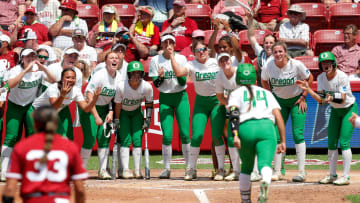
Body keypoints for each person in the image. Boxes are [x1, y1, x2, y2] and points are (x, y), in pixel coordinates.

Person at [2, 105, 87, 203]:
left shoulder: (22, 147)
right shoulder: (69, 147)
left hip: (33, 199)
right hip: (60, 199)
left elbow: (9, 189)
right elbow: (80, 189)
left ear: (35, 123)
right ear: (56, 123)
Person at [296, 51, 357, 185]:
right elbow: (321, 100)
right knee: (331, 143)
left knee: (344, 142)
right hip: (335, 110)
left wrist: (331, 97)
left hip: (348, 109)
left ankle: (346, 176)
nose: (326, 65)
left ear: (334, 63)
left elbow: (344, 98)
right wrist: (308, 89)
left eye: (328, 62)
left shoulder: (342, 76)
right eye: (323, 63)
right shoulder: (322, 78)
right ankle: (332, 175)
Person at [228, 63, 286, 203]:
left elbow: (234, 114)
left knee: (246, 168)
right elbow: (278, 116)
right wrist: (283, 140)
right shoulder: (266, 93)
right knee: (265, 164)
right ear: (255, 78)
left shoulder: (235, 93)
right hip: (266, 128)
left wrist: (235, 135)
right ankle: (265, 180)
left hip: (245, 128)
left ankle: (246, 199)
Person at [171, 41, 227, 181]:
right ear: (194, 53)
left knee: (216, 135)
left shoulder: (216, 62)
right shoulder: (191, 64)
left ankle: (221, 169)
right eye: (198, 50)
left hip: (217, 101)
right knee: (196, 136)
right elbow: (178, 73)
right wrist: (171, 55)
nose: (201, 52)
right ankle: (191, 169)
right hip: (201, 102)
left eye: (203, 49)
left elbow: (229, 71)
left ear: (207, 50)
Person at [261, 41, 313, 182]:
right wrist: (270, 96)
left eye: (280, 51)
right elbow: (264, 80)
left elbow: (309, 78)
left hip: (297, 101)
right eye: (275, 51)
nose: (278, 54)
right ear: (272, 53)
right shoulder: (268, 66)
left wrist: (303, 96)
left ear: (285, 52)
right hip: (279, 102)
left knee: (298, 134)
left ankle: (301, 172)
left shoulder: (296, 65)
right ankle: (278, 170)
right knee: (276, 135)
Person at [1, 48, 56, 181]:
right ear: (22, 58)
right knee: (11, 136)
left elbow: (54, 80)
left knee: (33, 135)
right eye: (27, 57)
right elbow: (11, 85)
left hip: (31, 105)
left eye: (33, 56)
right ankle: (3, 171)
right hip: (15, 105)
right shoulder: (15, 70)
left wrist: (43, 68)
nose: (30, 59)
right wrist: (26, 70)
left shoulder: (39, 70)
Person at [148, 34, 190, 179]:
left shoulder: (181, 58)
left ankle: (189, 167)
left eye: (170, 42)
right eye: (165, 42)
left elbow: (183, 82)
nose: (168, 44)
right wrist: (160, 77)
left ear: (174, 43)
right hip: (165, 97)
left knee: (185, 133)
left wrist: (172, 60)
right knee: (166, 135)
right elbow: (156, 84)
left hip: (180, 97)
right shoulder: (155, 60)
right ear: (161, 44)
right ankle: (166, 168)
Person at [79, 51, 120, 180]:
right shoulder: (100, 75)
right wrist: (96, 116)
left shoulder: (119, 76)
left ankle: (102, 170)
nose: (114, 60)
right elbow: (89, 95)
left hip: (105, 109)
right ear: (106, 61)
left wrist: (111, 112)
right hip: (89, 108)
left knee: (104, 139)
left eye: (116, 58)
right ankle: (81, 171)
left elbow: (116, 98)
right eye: (111, 58)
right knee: (90, 138)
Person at [32, 68, 100, 137]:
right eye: (68, 77)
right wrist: (62, 95)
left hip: (53, 112)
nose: (71, 80)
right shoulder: (53, 88)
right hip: (37, 111)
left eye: (73, 78)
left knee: (66, 136)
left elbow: (86, 109)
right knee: (37, 137)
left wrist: (94, 99)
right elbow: (54, 108)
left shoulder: (76, 91)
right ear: (61, 79)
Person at [114, 61, 153, 179]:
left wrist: (148, 119)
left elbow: (149, 103)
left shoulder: (146, 86)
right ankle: (125, 169)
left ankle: (137, 170)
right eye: (134, 73)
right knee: (125, 140)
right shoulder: (121, 86)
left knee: (137, 140)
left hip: (137, 113)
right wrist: (116, 119)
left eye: (139, 73)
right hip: (123, 113)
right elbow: (118, 105)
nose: (137, 76)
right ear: (129, 74)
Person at [215, 53, 241, 181]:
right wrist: (230, 104)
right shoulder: (219, 76)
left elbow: (250, 89)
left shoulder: (239, 72)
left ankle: (255, 170)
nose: (225, 62)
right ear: (219, 64)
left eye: (227, 59)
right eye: (222, 61)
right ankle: (236, 171)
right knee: (231, 138)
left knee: (249, 137)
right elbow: (220, 96)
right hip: (233, 109)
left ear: (231, 60)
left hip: (246, 107)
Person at [247, 11, 275, 87]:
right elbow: (251, 37)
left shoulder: (278, 56)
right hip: (262, 89)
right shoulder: (260, 52)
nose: (268, 45)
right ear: (263, 44)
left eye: (271, 43)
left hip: (276, 90)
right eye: (266, 43)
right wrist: (250, 20)